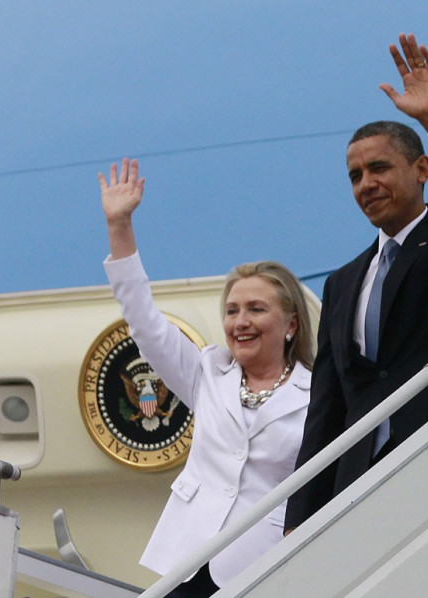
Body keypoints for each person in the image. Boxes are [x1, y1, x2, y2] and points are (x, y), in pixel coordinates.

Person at [284, 32, 428, 532]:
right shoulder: (342, 283)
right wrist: (297, 527)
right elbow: (327, 409)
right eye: (354, 175)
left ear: (423, 168)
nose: (365, 184)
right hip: (359, 485)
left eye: (379, 168)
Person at [99, 157, 314, 597]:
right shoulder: (207, 373)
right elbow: (143, 320)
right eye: (232, 311)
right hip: (188, 560)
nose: (241, 322)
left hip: (262, 566)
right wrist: (120, 226)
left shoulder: (318, 394)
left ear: (290, 324)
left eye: (256, 309)